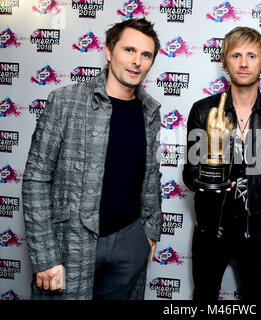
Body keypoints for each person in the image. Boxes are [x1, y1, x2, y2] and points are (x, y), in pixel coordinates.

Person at [22, 18, 162, 300]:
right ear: (109, 51)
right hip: (71, 243)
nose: (137, 61)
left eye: (146, 55)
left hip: (129, 241)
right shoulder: (65, 101)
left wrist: (149, 233)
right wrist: (46, 256)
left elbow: (150, 175)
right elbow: (36, 178)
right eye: (129, 50)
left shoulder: (149, 110)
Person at [183, 26, 261, 301]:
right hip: (211, 233)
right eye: (236, 56)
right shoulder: (203, 110)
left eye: (252, 56)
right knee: (204, 298)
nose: (244, 64)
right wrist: (207, 178)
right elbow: (188, 174)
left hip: (260, 235)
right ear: (225, 61)